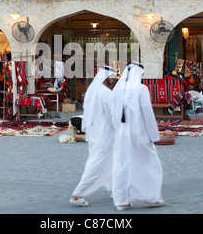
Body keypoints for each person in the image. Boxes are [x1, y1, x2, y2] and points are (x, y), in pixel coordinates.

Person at [108, 61, 164, 211]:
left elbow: (112, 114)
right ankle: (151, 197)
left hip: (121, 134)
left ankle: (121, 201)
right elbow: (148, 114)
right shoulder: (141, 89)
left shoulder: (116, 90)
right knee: (150, 164)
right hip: (139, 134)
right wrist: (154, 136)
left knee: (122, 165)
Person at [70, 66, 117, 207]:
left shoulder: (96, 91)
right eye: (111, 77)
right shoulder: (105, 93)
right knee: (96, 164)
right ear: (105, 78)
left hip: (95, 133)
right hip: (104, 135)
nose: (113, 79)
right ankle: (78, 193)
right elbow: (111, 117)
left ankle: (115, 189)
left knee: (111, 161)